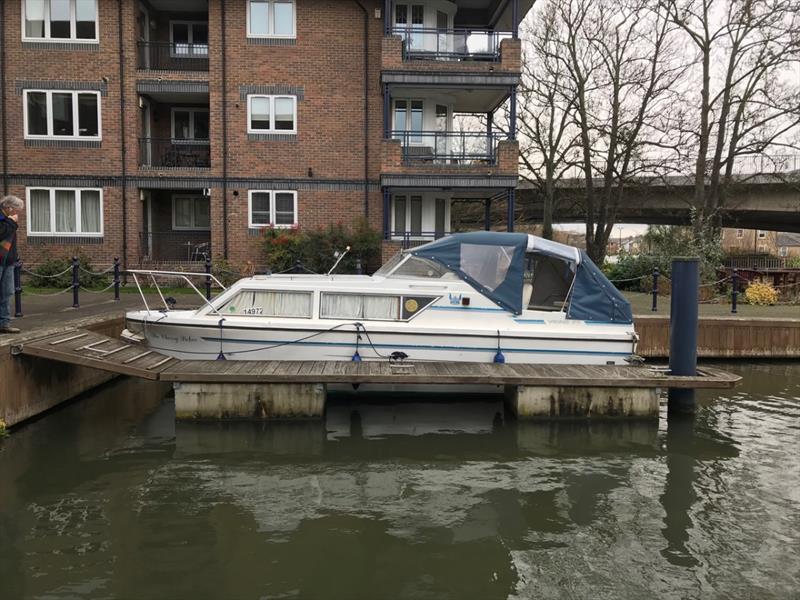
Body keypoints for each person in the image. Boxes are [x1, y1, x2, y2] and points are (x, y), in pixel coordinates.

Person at [0, 195, 23, 334]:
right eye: (16, 210)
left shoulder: (9, 220)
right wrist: (11, 222)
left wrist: (15, 257)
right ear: (9, 208)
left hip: (8, 261)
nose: (17, 213)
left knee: (7, 292)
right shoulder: (4, 219)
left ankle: (4, 323)